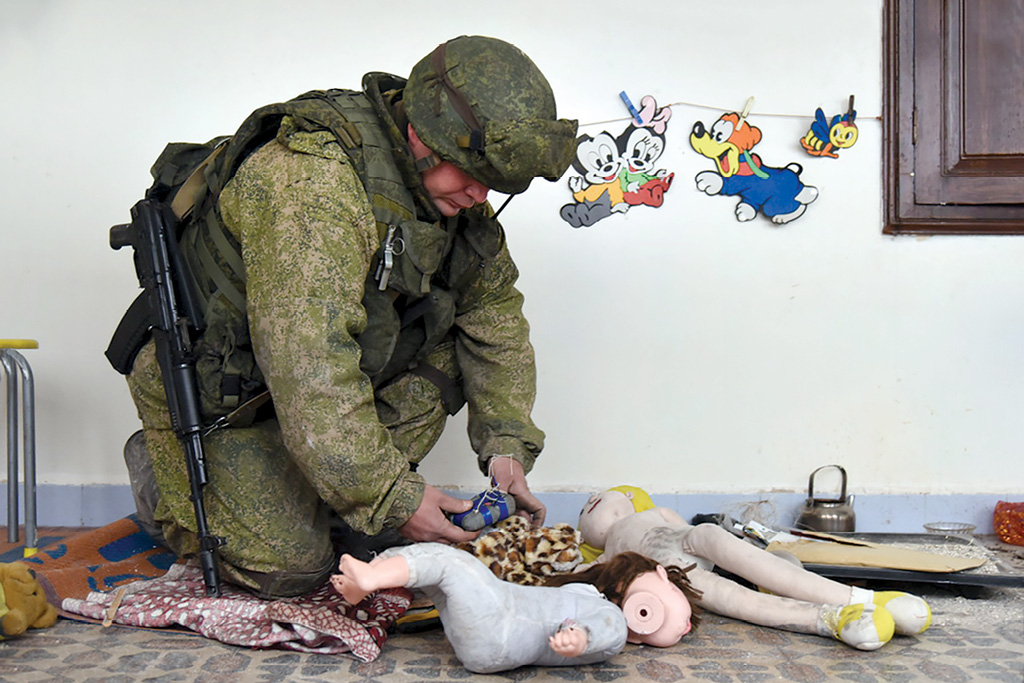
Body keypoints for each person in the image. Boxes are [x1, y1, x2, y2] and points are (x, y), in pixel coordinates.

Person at [114, 35, 579, 598]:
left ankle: (334, 496)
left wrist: (507, 446)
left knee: (448, 354)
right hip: (232, 402)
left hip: (317, 395)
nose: (480, 195)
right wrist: (393, 497)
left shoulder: (447, 196)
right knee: (291, 571)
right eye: (469, 172)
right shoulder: (312, 186)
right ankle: (167, 479)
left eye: (494, 183)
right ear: (420, 135)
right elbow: (310, 369)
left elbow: (493, 311)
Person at [577, 486, 933, 651]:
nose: (591, 503)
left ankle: (871, 598)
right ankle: (833, 620)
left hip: (694, 538)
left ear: (627, 497)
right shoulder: (607, 551)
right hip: (672, 571)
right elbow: (588, 576)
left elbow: (678, 522)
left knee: (747, 557)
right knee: (731, 597)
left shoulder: (648, 512)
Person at [331, 544, 698, 673]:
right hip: (492, 629)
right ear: (660, 575)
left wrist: (582, 637)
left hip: (500, 622)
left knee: (448, 564)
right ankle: (363, 584)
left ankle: (369, 579)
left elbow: (612, 629)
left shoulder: (612, 622)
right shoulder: (588, 594)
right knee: (433, 573)